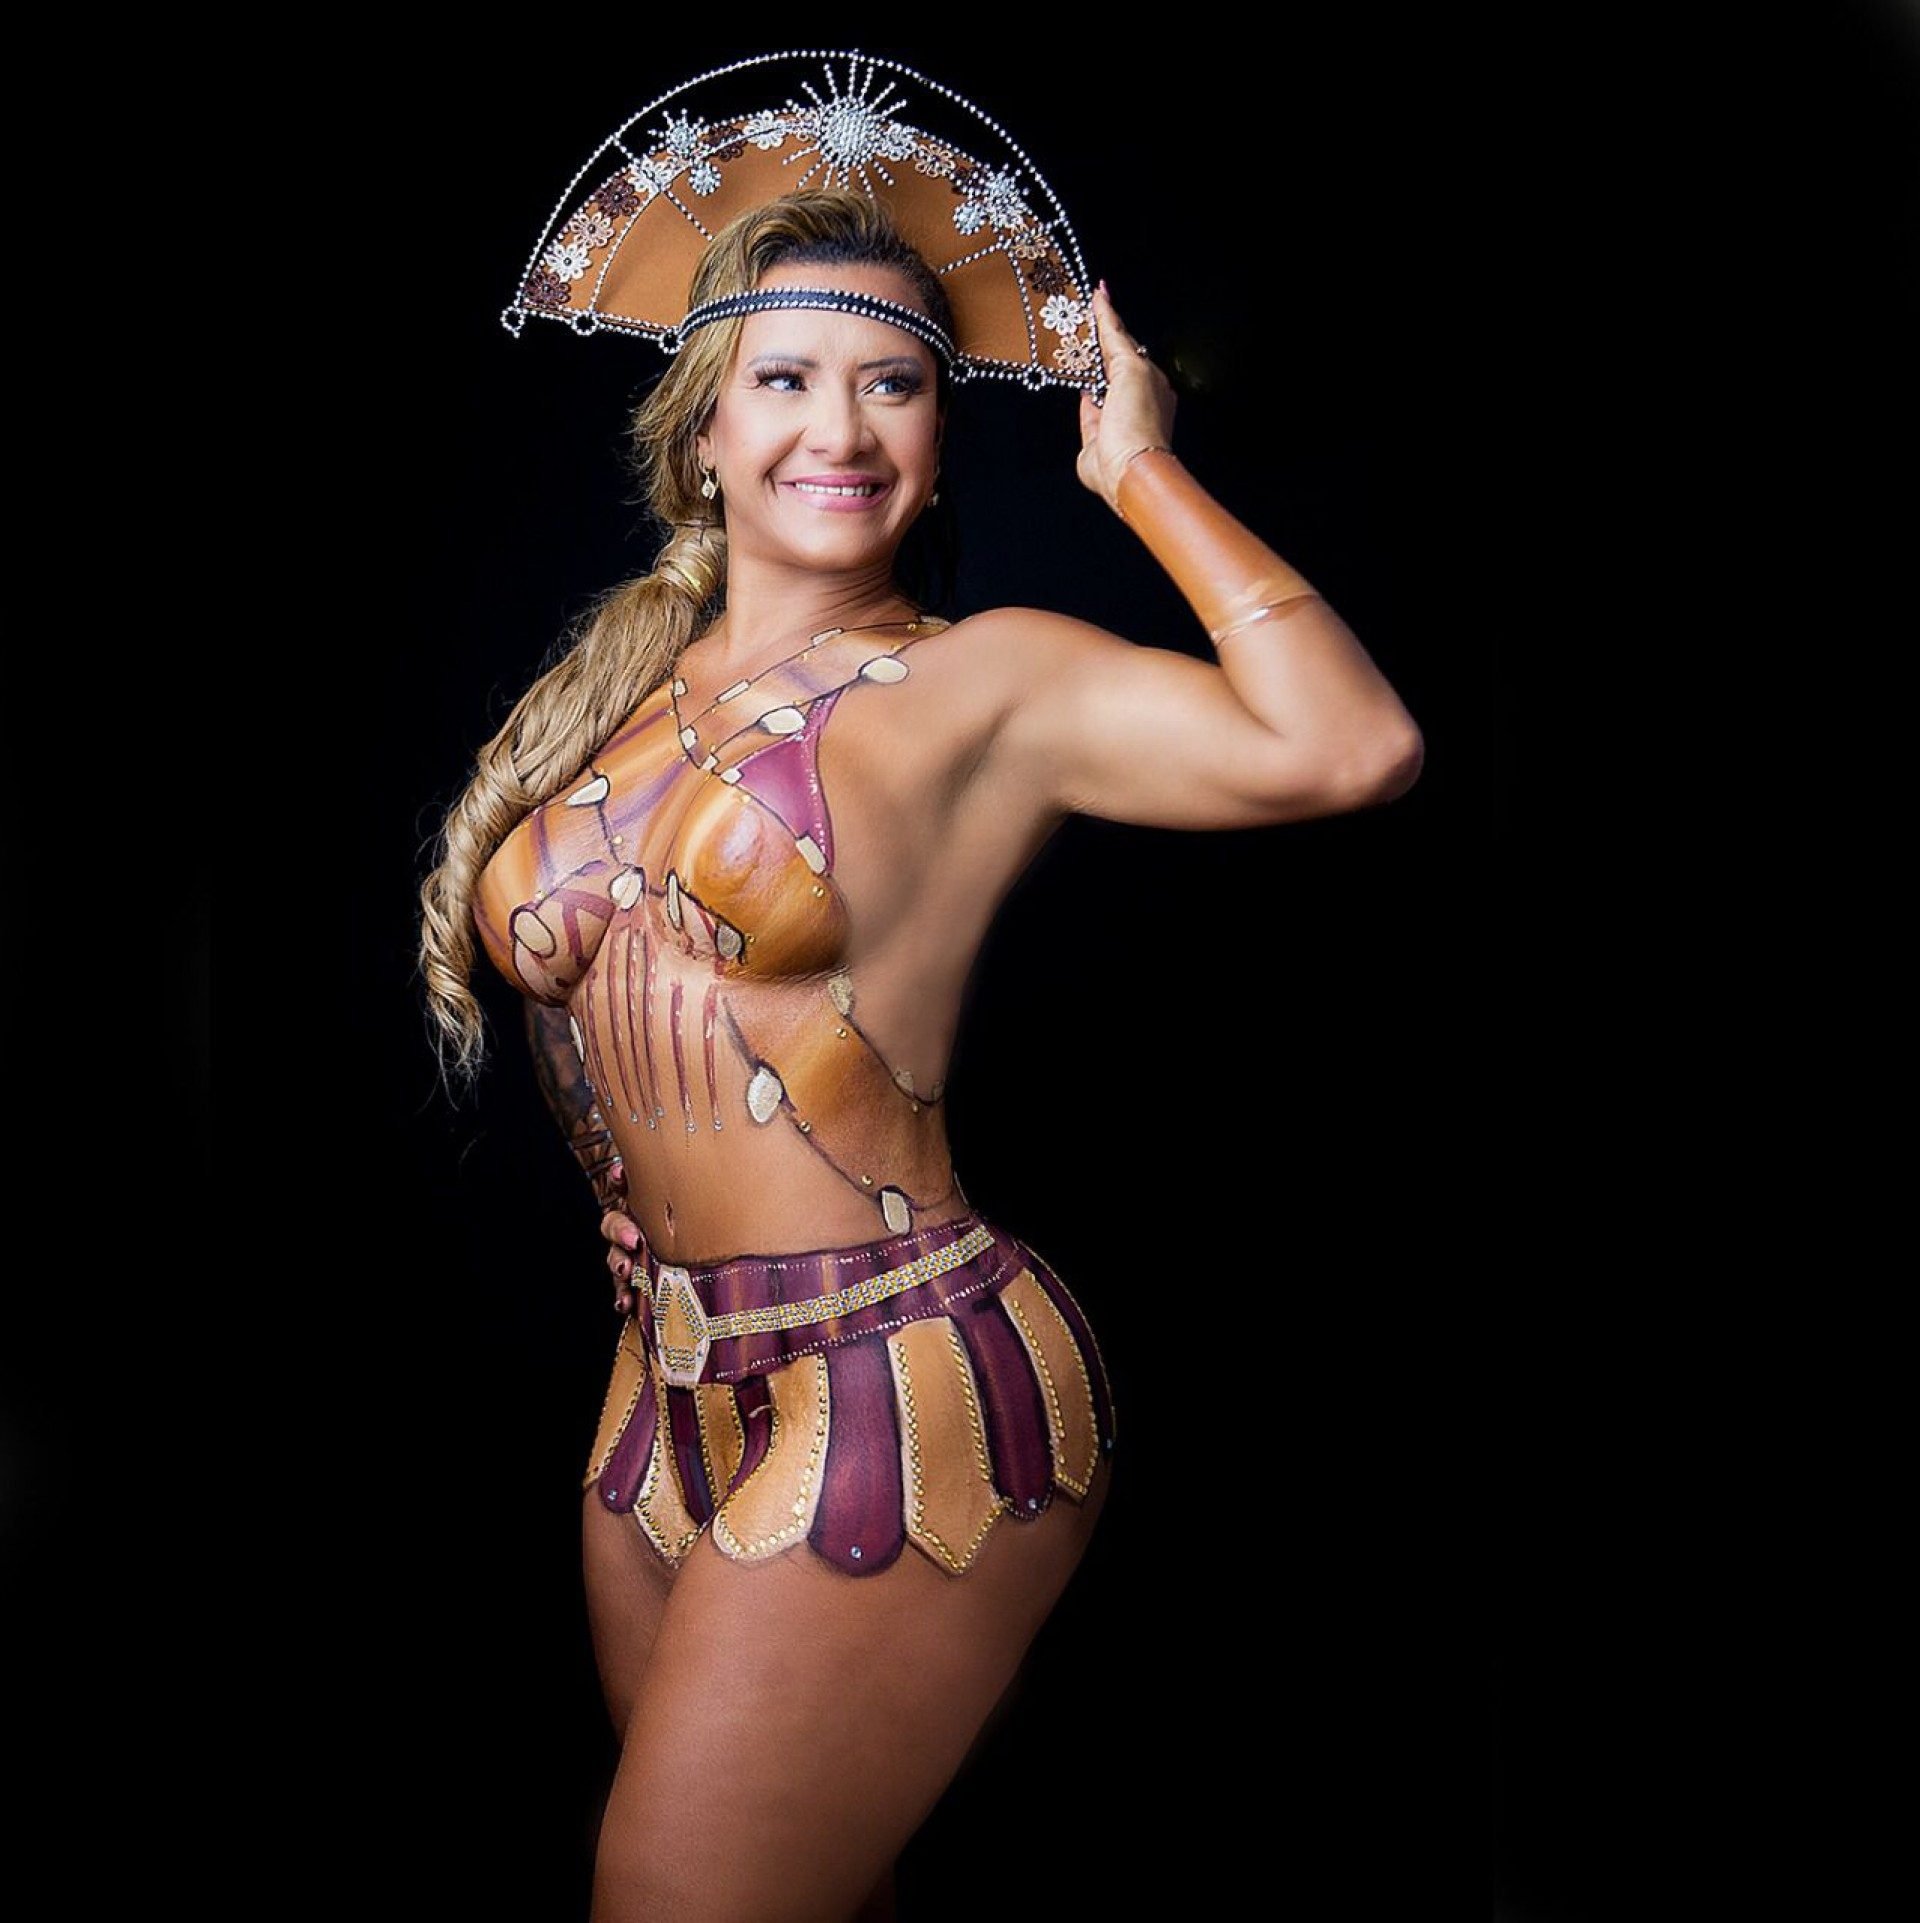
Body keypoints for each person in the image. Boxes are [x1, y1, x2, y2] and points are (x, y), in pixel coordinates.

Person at [418, 53, 1421, 1923]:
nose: (844, 427)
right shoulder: (615, 702)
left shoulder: (986, 686)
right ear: (702, 435)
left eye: (895, 384)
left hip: (904, 1375)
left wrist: (1138, 472)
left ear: (945, 440)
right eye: (787, 380)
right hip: (662, 1397)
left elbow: (1352, 747)